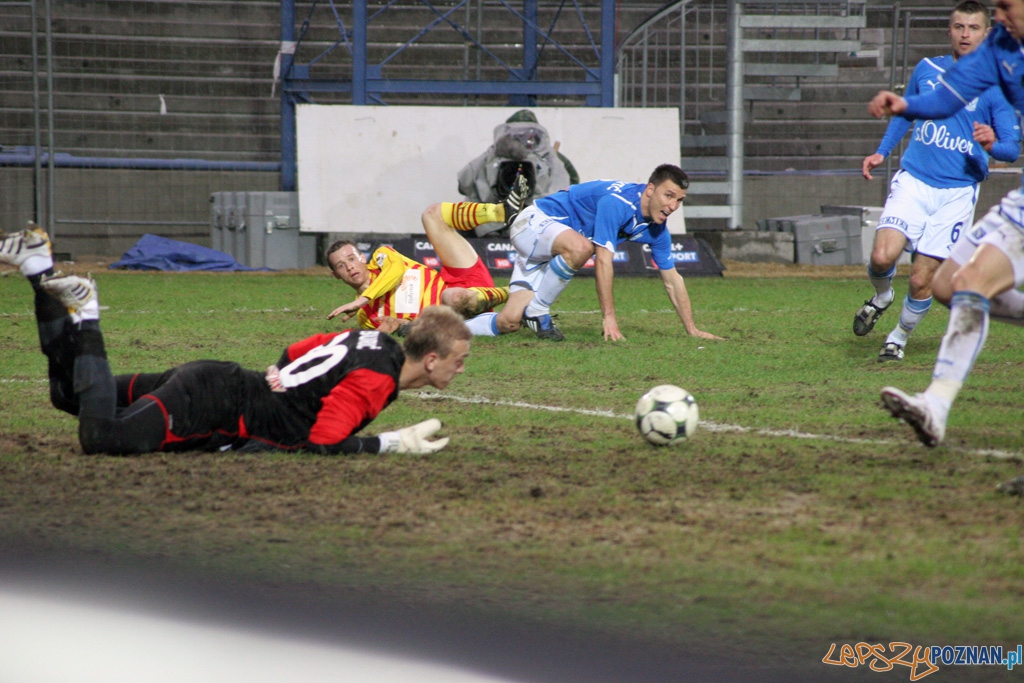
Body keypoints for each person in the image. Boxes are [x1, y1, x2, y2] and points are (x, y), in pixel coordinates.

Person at [0, 225, 470, 456]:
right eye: (459, 360)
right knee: (101, 438)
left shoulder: (370, 340)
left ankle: (39, 268)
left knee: (68, 396)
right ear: (431, 360)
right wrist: (391, 443)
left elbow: (295, 352)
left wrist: (282, 379)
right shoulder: (378, 378)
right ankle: (87, 316)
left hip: (218, 379)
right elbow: (324, 442)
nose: (461, 369)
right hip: (210, 404)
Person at [867, 0, 1024, 446]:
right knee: (945, 286)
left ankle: (936, 403)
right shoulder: (1000, 49)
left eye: (1005, 6)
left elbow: (1009, 143)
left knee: (969, 282)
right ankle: (934, 406)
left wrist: (998, 143)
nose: (998, 16)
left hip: (962, 191)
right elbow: (946, 98)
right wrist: (905, 104)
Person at [446, 164, 720, 342]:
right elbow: (603, 260)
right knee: (581, 248)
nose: (673, 205)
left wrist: (692, 329)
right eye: (668, 195)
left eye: (679, 200)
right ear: (650, 190)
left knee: (509, 321)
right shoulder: (619, 203)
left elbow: (672, 279)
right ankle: (539, 312)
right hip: (533, 224)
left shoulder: (657, 229)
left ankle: (440, 331)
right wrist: (609, 318)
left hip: (547, 249)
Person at [324, 191, 521, 337]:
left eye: (351, 259)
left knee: (431, 214)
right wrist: (398, 325)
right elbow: (405, 327)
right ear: (336, 275)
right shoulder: (365, 317)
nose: (349, 267)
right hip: (456, 310)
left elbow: (396, 270)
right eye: (341, 265)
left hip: (460, 277)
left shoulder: (381, 257)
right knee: (453, 297)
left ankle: (501, 211)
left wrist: (362, 299)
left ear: (362, 258)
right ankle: (519, 295)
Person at [457, 109, 579, 236]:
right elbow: (466, 184)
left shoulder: (550, 158)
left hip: (536, 218)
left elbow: (570, 185)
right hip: (492, 216)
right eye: (517, 136)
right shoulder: (491, 156)